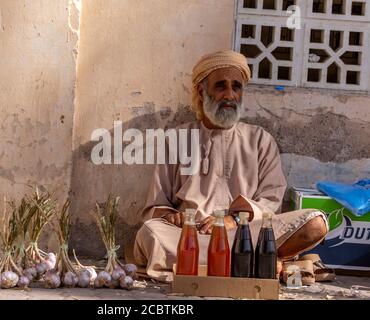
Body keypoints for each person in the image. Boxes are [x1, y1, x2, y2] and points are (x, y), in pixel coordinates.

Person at [133, 50, 328, 282]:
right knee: (150, 234)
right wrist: (172, 216)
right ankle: (261, 263)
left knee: (315, 223)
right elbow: (156, 206)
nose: (229, 95)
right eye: (220, 86)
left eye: (236, 87)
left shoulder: (260, 140)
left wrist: (234, 220)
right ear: (201, 91)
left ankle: (230, 262)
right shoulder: (178, 138)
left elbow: (270, 201)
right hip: (193, 236)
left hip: (245, 234)